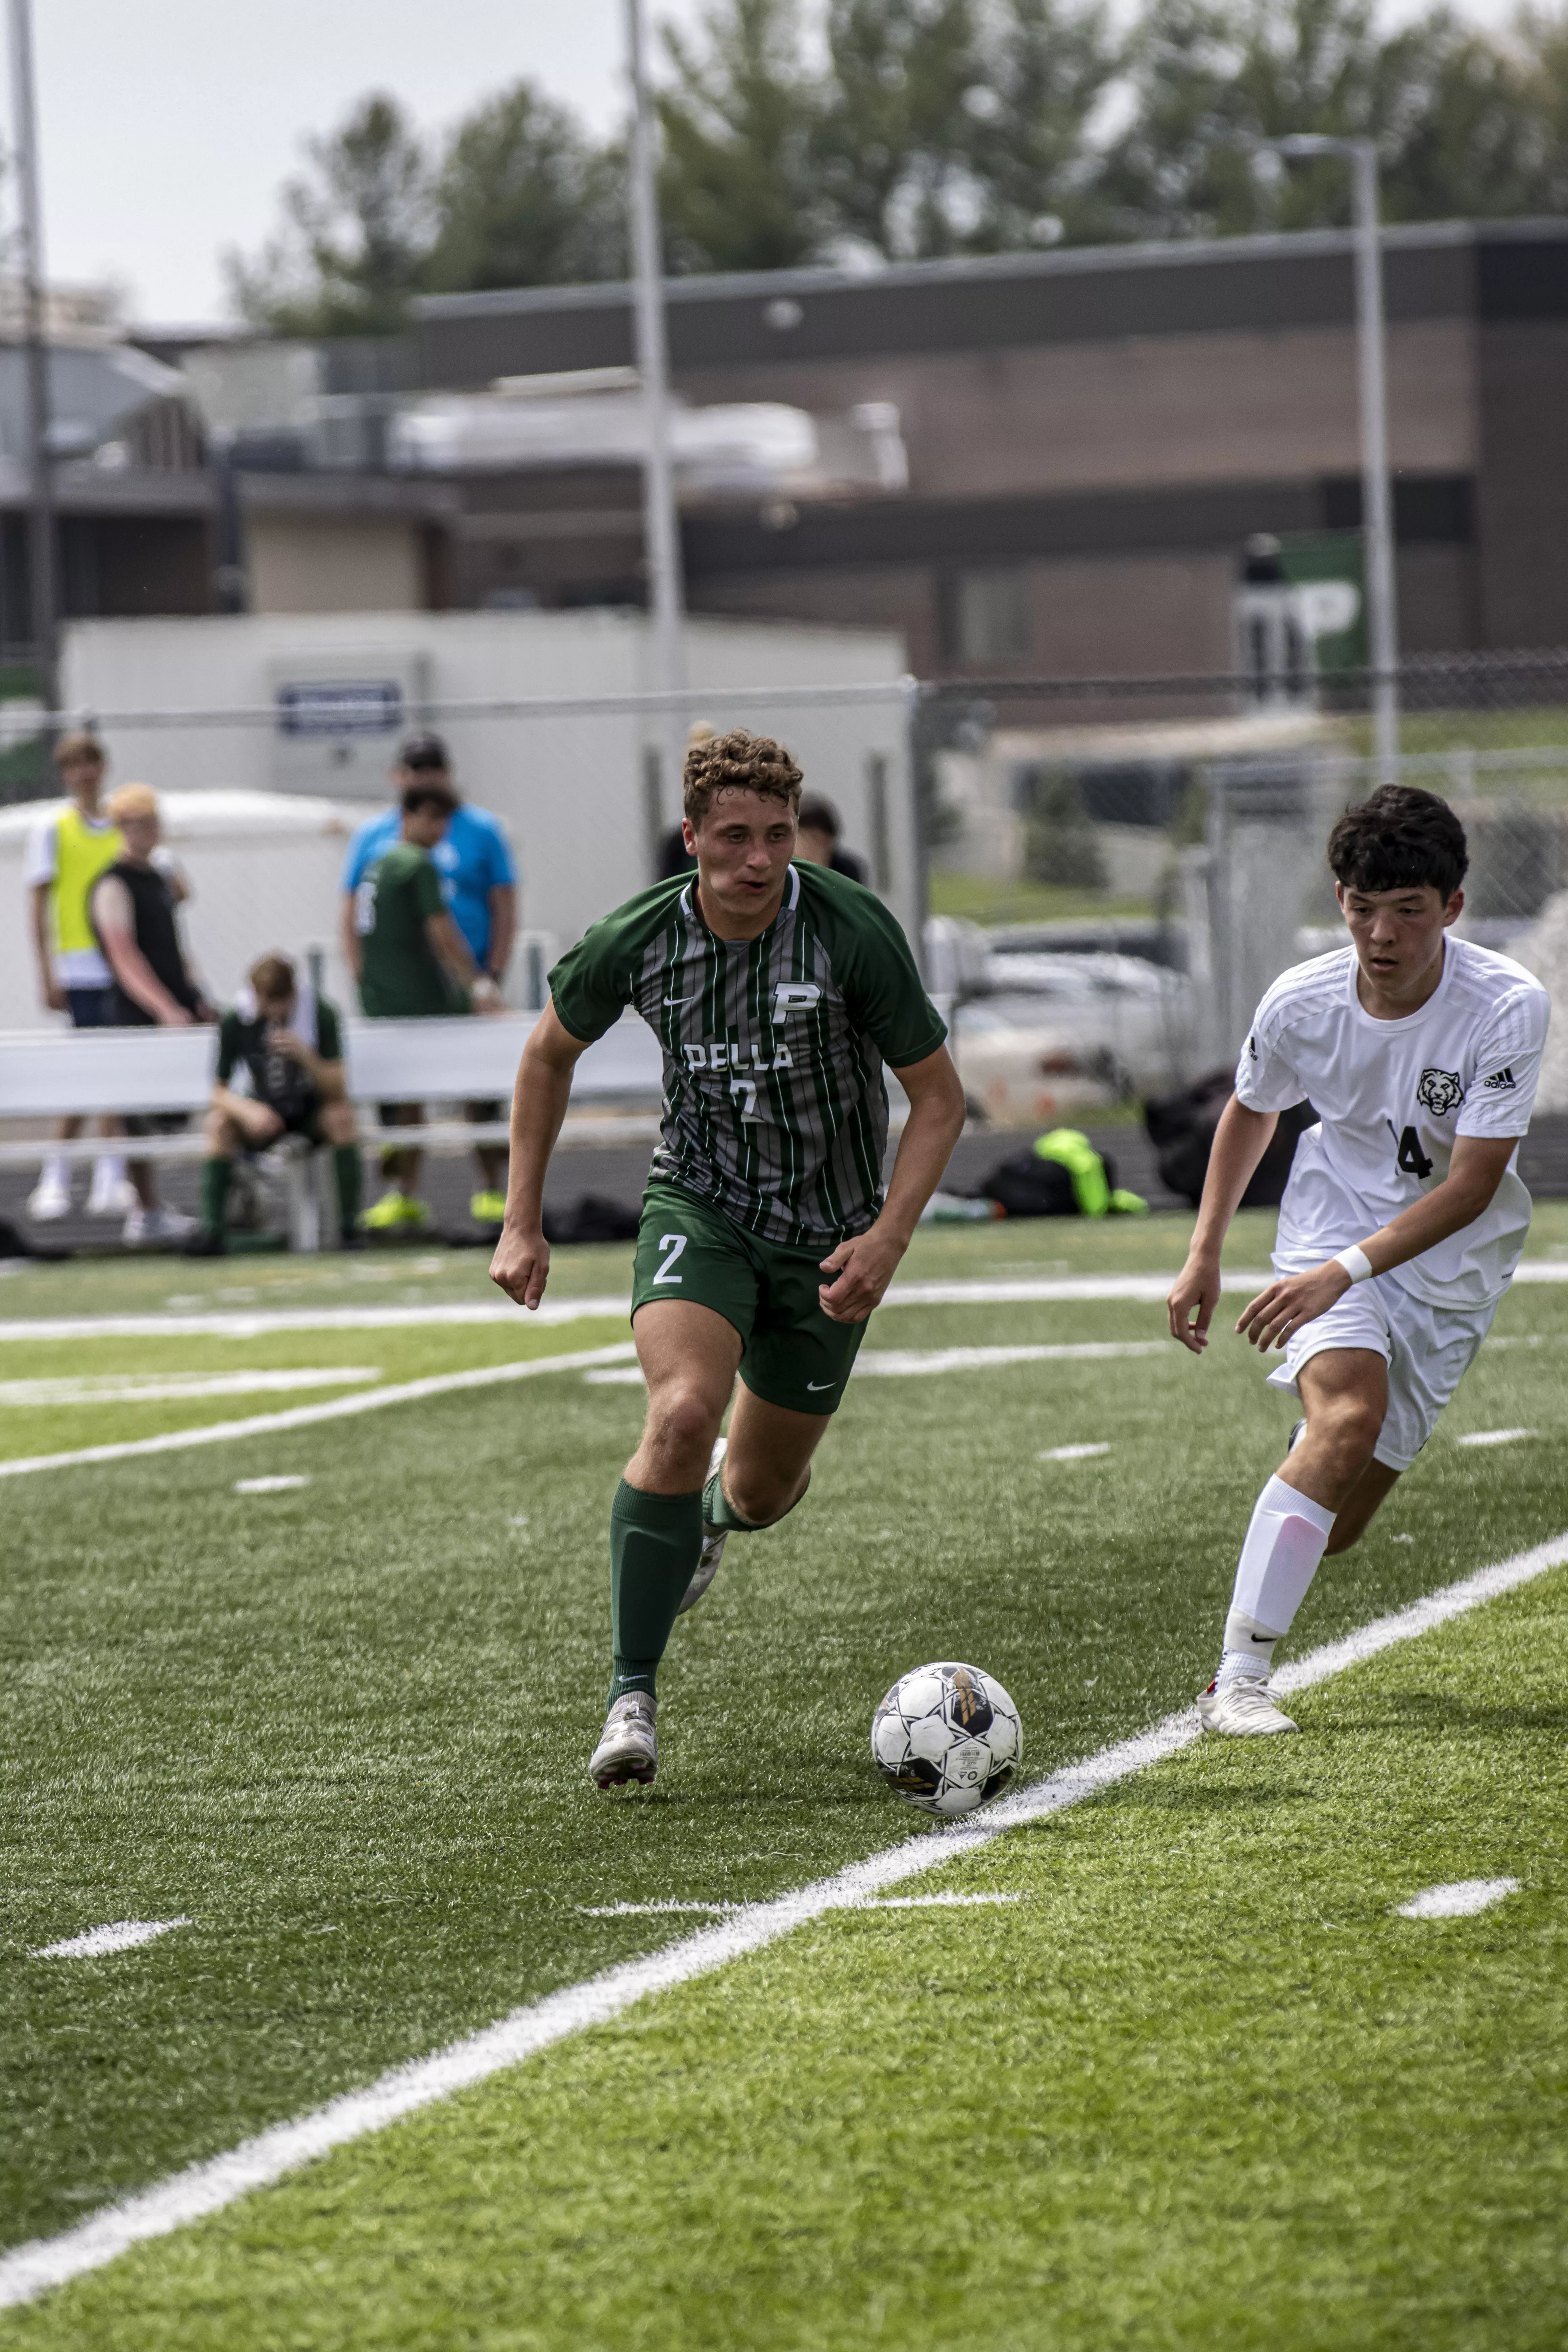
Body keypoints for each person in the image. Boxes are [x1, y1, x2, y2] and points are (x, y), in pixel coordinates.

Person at [489, 726, 967, 1790]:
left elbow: (936, 1097)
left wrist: (887, 1236)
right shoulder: (639, 937)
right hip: (697, 1209)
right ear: (693, 837)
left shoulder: (849, 930)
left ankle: (708, 1515)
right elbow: (544, 1055)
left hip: (829, 1242)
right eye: (737, 837)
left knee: (758, 1489)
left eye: (780, 836)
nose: (761, 859)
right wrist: (521, 1219)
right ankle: (630, 1699)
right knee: (677, 1412)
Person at [1167, 785, 1550, 1737]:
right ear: (1339, 900)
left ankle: (1291, 1505)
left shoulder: (1507, 1006)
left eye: (1409, 910)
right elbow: (1253, 1107)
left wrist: (1351, 1271)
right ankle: (1239, 1681)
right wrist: (1205, 1252)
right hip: (1324, 1236)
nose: (1382, 934)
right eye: (1361, 907)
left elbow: (1469, 1187)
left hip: (1452, 1270)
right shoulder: (1301, 999)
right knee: (1348, 1414)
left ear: (1452, 908)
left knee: (1339, 1524)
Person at [341, 734, 516, 1225]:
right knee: (448, 1091)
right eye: (434, 819)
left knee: (418, 1099)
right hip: (432, 997)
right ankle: (427, 1190)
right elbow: (442, 935)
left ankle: (433, 1192)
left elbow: (504, 900)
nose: (441, 830)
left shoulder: (387, 857)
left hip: (393, 999)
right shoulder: (411, 860)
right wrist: (476, 985)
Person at [89, 783, 214, 1246]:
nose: (149, 832)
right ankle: (144, 1208)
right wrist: (164, 1008)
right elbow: (124, 956)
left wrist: (194, 997)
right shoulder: (113, 883)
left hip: (177, 1005)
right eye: (139, 823)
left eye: (153, 822)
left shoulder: (158, 878)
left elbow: (173, 946)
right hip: (136, 1013)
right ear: (122, 827)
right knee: (136, 1113)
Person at [23, 731, 133, 1221]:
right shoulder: (54, 828)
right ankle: (56, 1175)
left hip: (122, 966)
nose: (84, 773)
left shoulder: (122, 825)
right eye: (74, 766)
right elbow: (39, 905)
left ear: (103, 767)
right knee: (86, 1076)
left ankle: (112, 1177)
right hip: (79, 966)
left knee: (116, 1076)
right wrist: (46, 971)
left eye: (91, 763)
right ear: (66, 774)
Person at [188, 952, 361, 1256]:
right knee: (218, 1125)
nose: (271, 1010)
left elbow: (338, 1089)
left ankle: (350, 1229)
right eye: (265, 1000)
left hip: (309, 1113)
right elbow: (218, 1092)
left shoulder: (320, 1015)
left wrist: (305, 1056)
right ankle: (212, 1232)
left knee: (342, 1119)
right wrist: (249, 1110)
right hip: (264, 1113)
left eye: (279, 1000)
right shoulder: (237, 1020)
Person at [795, 794, 870, 886]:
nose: (810, 845)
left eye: (817, 839)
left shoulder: (847, 869)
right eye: (804, 838)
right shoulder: (787, 865)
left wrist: (819, 867)